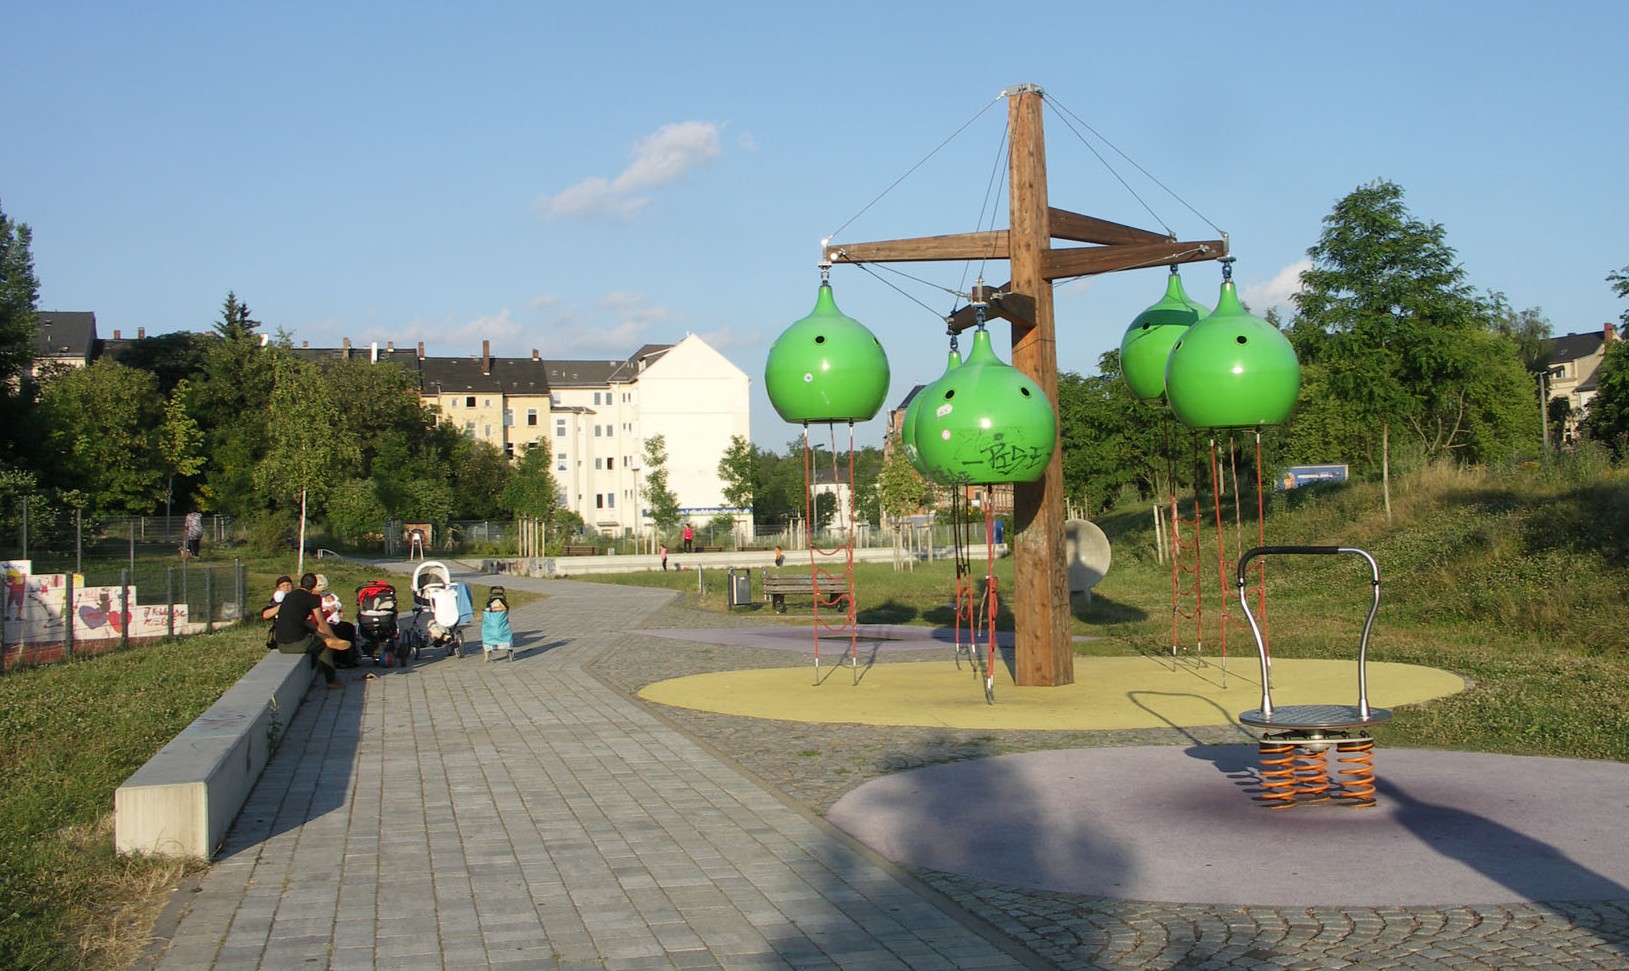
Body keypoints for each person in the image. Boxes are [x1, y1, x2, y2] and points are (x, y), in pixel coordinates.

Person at [272, 572, 349, 688]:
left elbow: (304, 622)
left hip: (281, 643)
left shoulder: (290, 596)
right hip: (297, 643)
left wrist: (322, 633)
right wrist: (332, 636)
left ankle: (330, 640)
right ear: (314, 587)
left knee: (318, 636)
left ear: (299, 583)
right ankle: (331, 680)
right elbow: (321, 621)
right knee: (325, 646)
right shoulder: (312, 598)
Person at [315, 574, 359, 668]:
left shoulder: (322, 597)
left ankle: (350, 657)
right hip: (319, 624)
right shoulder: (313, 598)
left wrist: (336, 610)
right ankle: (340, 659)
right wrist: (329, 611)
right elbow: (317, 616)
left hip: (328, 620)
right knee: (336, 630)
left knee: (349, 627)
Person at [261, 575, 294, 648]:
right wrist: (282, 605)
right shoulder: (275, 602)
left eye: (288, 585)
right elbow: (265, 615)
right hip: (280, 635)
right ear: (278, 589)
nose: (286, 588)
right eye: (283, 586)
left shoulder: (298, 598)